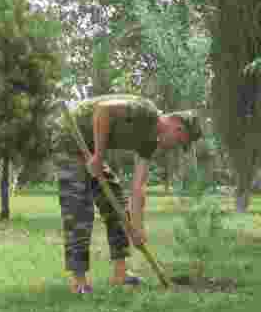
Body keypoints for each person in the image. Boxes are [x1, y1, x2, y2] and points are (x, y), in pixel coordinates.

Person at [52, 94, 202, 294]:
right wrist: (98, 156)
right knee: (79, 210)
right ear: (177, 126)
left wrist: (137, 230)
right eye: (179, 141)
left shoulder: (149, 142)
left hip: (90, 149)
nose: (174, 147)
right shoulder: (145, 111)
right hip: (70, 138)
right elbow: (102, 110)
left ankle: (120, 274)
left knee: (117, 205)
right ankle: (79, 281)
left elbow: (138, 188)